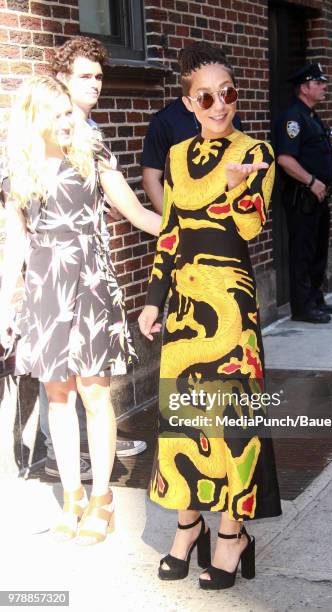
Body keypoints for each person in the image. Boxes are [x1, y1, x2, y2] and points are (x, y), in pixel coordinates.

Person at [138, 43, 281, 590]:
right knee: (183, 421)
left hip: (231, 306)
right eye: (207, 96)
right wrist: (154, 298)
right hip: (184, 302)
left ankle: (231, 534)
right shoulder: (176, 157)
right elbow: (171, 233)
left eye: (229, 94)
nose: (220, 105)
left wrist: (240, 188)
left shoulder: (257, 151)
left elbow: (248, 230)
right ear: (188, 103)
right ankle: (187, 524)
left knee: (231, 424)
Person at [0, 75, 161, 544]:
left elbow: (138, 214)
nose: (68, 120)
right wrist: (4, 309)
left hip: (91, 288)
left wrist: (191, 232)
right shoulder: (19, 175)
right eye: (57, 113)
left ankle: (103, 497)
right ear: (34, 119)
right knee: (58, 397)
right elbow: (15, 247)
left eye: (69, 111)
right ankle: (72, 496)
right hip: (45, 293)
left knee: (94, 394)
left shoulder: (93, 157)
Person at [38, 36, 147, 481]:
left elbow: (126, 204)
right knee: (58, 375)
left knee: (89, 375)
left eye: (100, 76)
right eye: (85, 76)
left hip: (89, 270)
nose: (96, 83)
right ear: (61, 80)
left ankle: (94, 441)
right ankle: (56, 452)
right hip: (51, 272)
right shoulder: (37, 135)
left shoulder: (93, 134)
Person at [275, 63, 332, 324]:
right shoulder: (293, 118)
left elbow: (322, 152)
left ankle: (315, 299)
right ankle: (302, 308)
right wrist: (311, 181)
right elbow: (284, 159)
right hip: (302, 198)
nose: (324, 86)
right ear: (304, 87)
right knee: (302, 253)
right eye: (319, 82)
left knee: (318, 251)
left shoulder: (313, 117)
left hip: (320, 197)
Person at [141, 97, 243, 213]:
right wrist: (173, 225)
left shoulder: (231, 118)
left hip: (229, 217)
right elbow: (150, 180)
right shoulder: (165, 120)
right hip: (186, 220)